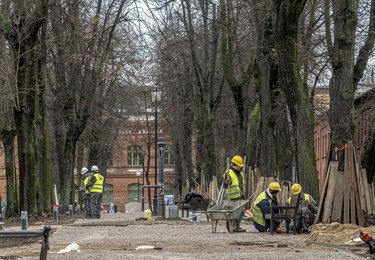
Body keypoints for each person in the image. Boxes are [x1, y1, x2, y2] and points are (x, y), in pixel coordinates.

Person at [223, 155, 246, 232]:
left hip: (239, 196)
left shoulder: (240, 174)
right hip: (232, 197)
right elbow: (225, 185)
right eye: (239, 166)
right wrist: (226, 183)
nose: (240, 168)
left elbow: (241, 185)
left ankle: (237, 226)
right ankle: (231, 227)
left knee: (241, 212)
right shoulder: (229, 173)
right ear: (234, 165)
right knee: (232, 213)